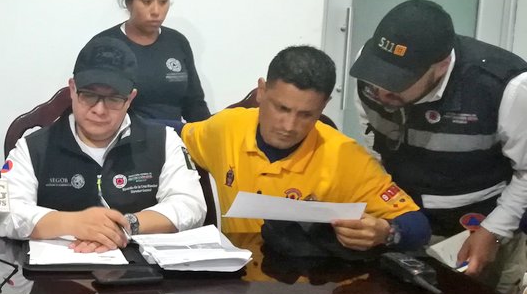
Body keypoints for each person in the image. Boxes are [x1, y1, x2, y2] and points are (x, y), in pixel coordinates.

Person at [350, 0, 527, 294]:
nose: (381, 90)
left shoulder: (506, 87)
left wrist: (494, 231)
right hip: (406, 224)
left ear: (441, 66)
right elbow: (375, 141)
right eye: (380, 75)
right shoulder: (371, 72)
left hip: (483, 227)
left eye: (398, 80)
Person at [182, 45, 430, 251]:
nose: (289, 126)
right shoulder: (227, 127)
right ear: (261, 92)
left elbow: (418, 226)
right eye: (281, 108)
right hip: (237, 281)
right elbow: (174, 133)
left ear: (324, 106)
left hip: (311, 285)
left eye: (306, 114)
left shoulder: (345, 156)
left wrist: (387, 232)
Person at [0, 36, 207, 252]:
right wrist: (73, 224)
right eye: (89, 95)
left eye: (114, 99)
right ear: (72, 89)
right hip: (58, 268)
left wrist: (125, 225)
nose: (99, 110)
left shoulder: (164, 140)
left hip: (141, 267)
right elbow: (5, 213)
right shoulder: (32, 148)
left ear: (130, 98)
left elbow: (191, 205)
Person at [90, 0, 209, 129]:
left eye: (163, 1)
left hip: (175, 138)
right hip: (127, 138)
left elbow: (194, 104)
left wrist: (209, 134)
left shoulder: (177, 42)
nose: (156, 11)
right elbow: (95, 108)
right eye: (147, 1)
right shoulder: (105, 45)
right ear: (129, 2)